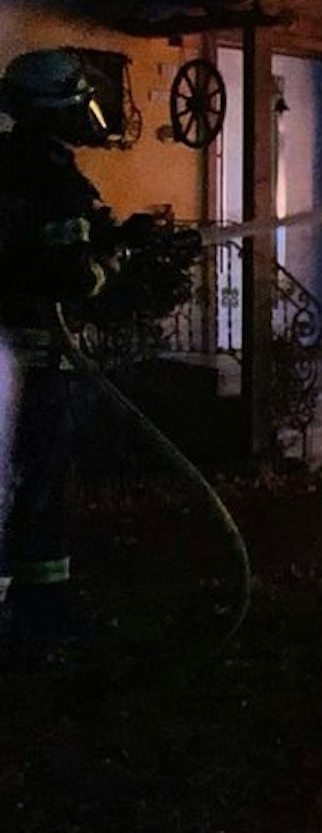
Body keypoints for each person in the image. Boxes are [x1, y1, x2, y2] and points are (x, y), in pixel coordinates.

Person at [0, 48, 124, 662]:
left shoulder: (9, 165)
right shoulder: (55, 179)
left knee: (12, 488)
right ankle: (40, 622)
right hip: (42, 361)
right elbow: (69, 278)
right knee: (42, 492)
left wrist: (108, 237)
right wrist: (114, 265)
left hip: (8, 360)